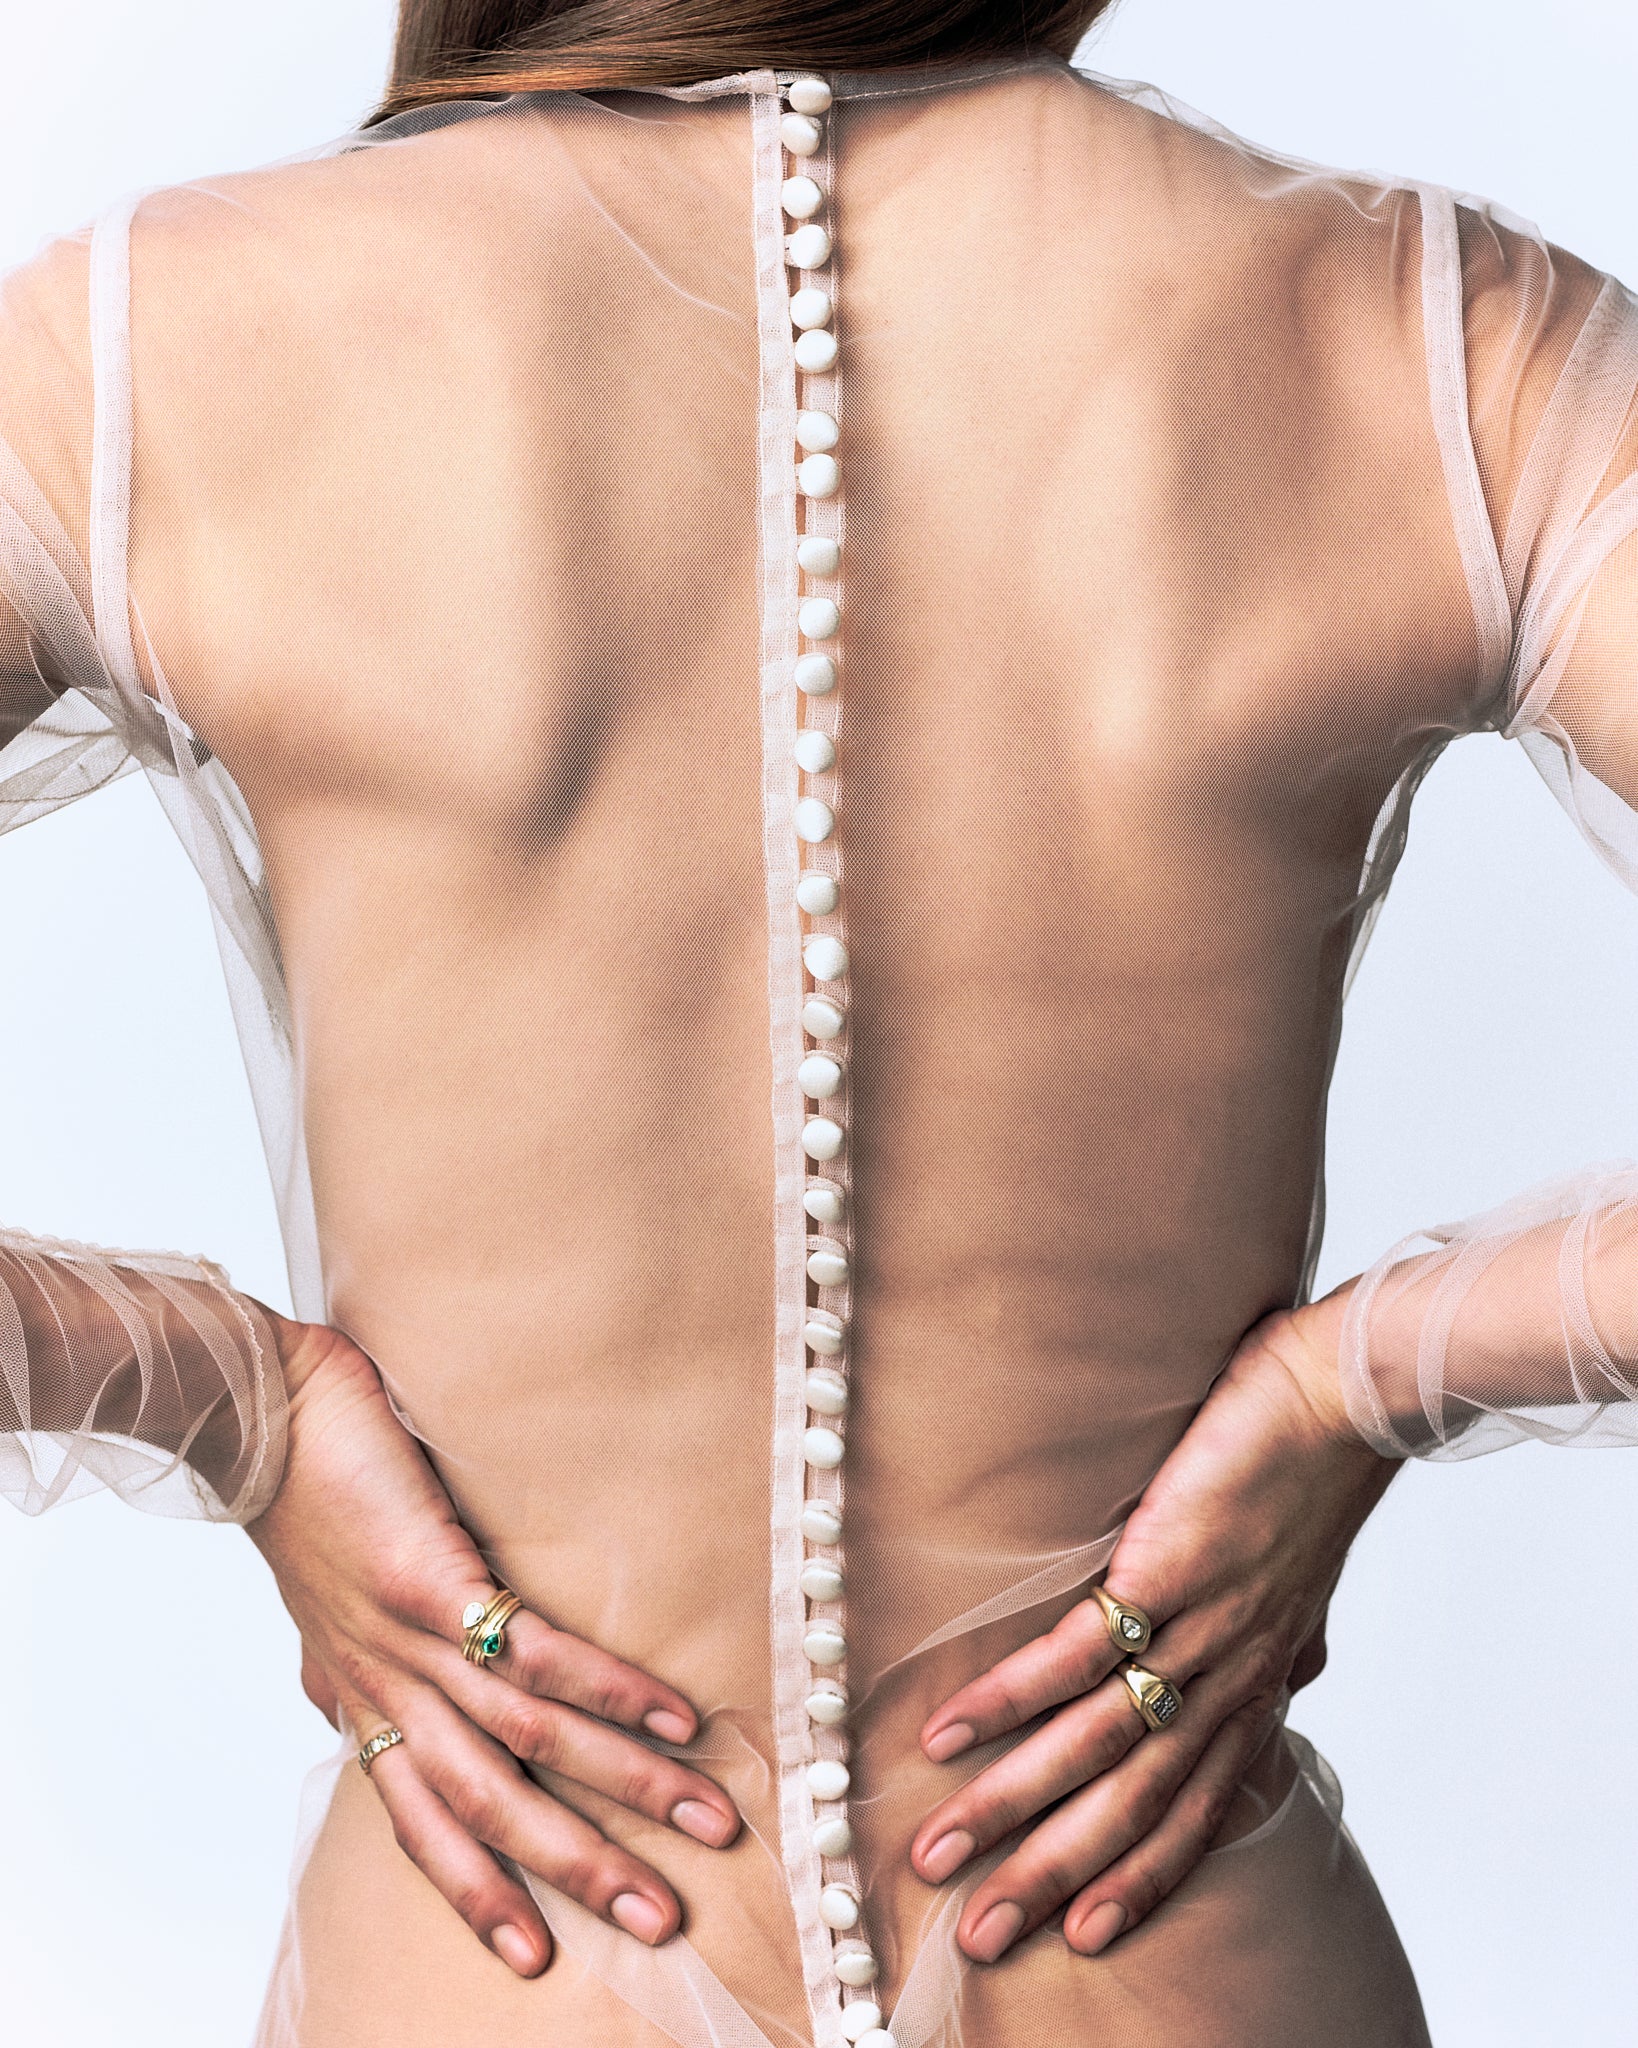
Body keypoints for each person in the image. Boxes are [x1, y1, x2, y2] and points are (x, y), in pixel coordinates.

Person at [2, 3, 1636, 2043]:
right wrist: (1371, 1375)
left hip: (491, 1958)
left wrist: (222, 1396)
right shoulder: (1421, 341)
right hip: (1178, 1956)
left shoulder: (150, 357)